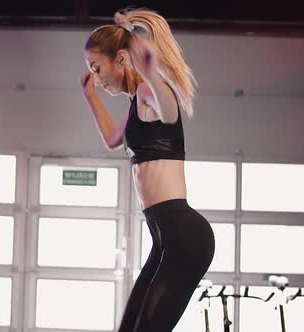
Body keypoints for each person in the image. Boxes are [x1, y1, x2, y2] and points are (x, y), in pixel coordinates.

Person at [80, 8, 216, 332]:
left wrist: (152, 73)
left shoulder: (146, 92)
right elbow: (114, 139)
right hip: (165, 238)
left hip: (184, 236)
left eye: (98, 68)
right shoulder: (135, 106)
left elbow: (169, 113)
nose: (98, 78)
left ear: (122, 59)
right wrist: (90, 96)